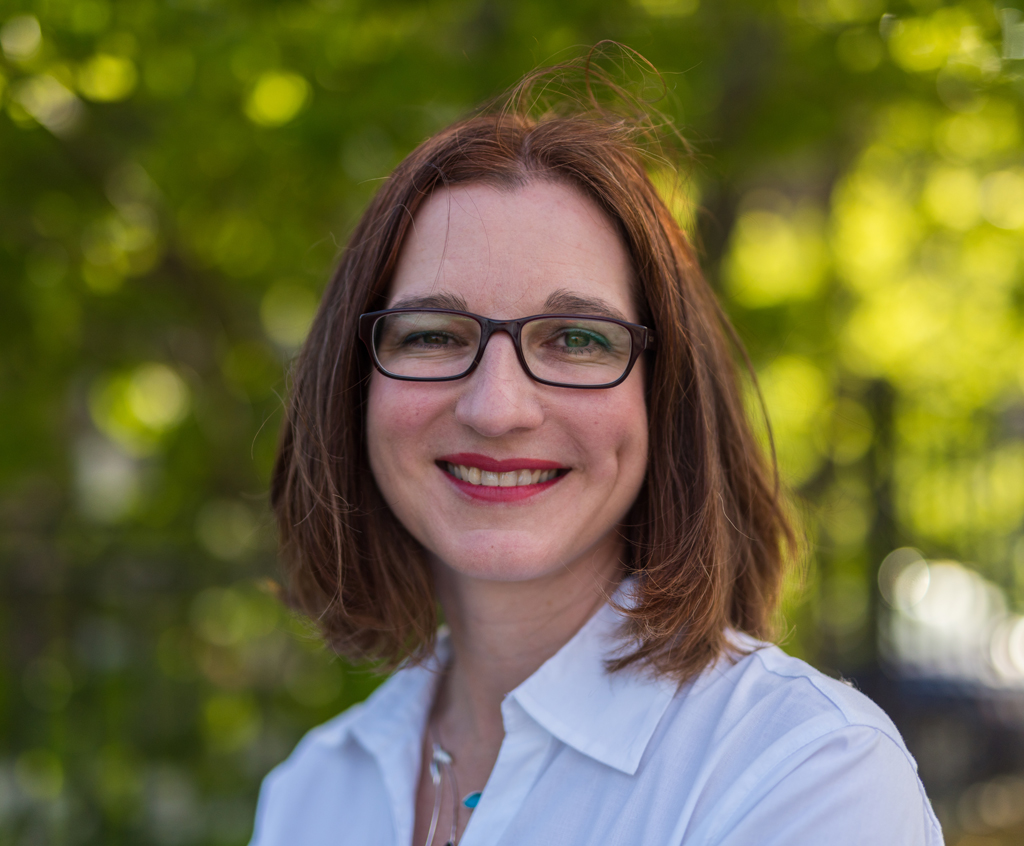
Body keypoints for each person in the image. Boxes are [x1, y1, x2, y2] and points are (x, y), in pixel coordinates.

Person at [250, 54, 943, 846]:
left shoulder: (802, 769)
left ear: (665, 394)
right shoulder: (314, 790)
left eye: (577, 338)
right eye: (434, 335)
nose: (497, 407)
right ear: (354, 384)